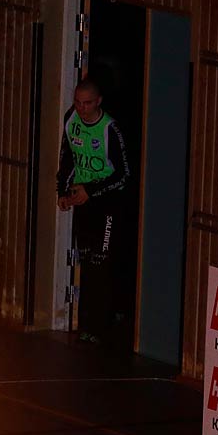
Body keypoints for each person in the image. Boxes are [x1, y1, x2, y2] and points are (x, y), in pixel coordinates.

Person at [56, 79, 134, 345]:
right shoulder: (72, 119)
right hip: (84, 202)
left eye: (87, 103)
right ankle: (88, 323)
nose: (81, 108)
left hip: (108, 203)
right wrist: (63, 192)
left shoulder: (110, 128)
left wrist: (91, 190)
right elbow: (67, 157)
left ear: (98, 101)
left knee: (103, 261)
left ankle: (105, 323)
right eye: (77, 102)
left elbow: (124, 174)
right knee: (87, 261)